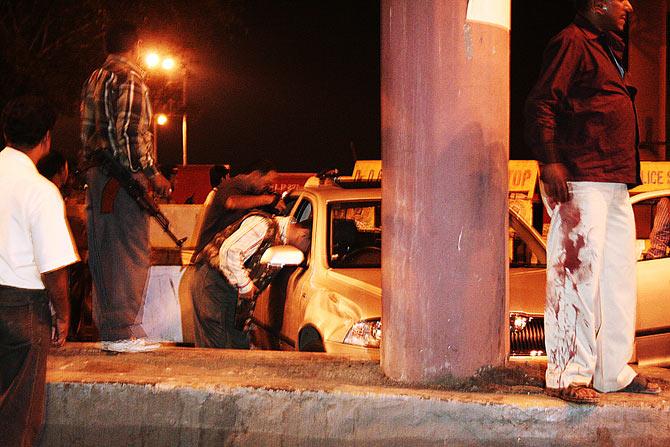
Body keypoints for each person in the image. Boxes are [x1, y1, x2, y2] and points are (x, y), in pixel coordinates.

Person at [525, 0, 660, 403]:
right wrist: (550, 160)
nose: (628, 5)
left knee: (617, 281)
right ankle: (567, 375)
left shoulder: (606, 46)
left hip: (615, 181)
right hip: (582, 178)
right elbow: (541, 103)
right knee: (574, 279)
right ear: (598, 4)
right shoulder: (572, 42)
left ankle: (612, 372)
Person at [80, 21, 172, 353]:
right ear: (136, 45)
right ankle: (124, 333)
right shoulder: (129, 78)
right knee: (130, 252)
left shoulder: (95, 77)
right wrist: (149, 174)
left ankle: (112, 330)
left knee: (105, 252)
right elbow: (131, 133)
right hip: (120, 181)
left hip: (99, 177)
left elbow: (92, 133)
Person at [0, 96, 79, 446]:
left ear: (6, 133)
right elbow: (53, 267)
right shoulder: (41, 191)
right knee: (19, 415)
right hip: (21, 307)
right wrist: (63, 315)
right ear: (47, 139)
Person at [191, 209, 310, 349]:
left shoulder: (277, 237)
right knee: (217, 349)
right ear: (304, 235)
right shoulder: (263, 225)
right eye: (308, 248)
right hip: (213, 283)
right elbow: (229, 251)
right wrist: (245, 285)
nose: (305, 252)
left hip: (224, 287)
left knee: (231, 347)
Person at [191, 160, 286, 261]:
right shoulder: (233, 184)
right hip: (208, 258)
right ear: (255, 175)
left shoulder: (253, 193)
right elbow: (232, 202)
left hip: (222, 257)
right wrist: (267, 199)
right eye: (268, 183)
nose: (270, 187)